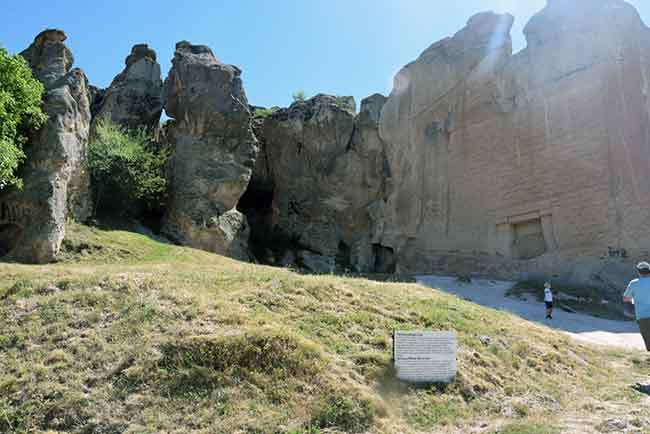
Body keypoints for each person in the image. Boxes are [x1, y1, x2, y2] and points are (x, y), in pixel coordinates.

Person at [623, 262, 650, 351]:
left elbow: (626, 299)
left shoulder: (634, 283)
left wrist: (632, 304)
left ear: (638, 272)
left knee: (648, 340)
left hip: (642, 316)